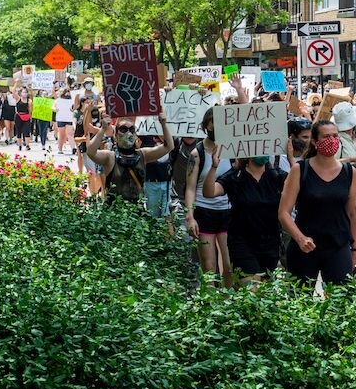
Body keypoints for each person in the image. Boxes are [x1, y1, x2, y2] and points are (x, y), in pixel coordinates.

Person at [279, 119, 356, 285]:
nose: (332, 140)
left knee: (341, 303)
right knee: (301, 302)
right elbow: (284, 213)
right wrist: (300, 238)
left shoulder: (349, 172)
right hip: (305, 248)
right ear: (315, 142)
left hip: (338, 246)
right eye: (326, 136)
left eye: (335, 136)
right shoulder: (300, 170)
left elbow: (352, 213)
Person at [206, 151, 288, 282]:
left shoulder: (277, 176)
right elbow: (209, 192)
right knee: (251, 287)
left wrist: (291, 159)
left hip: (270, 243)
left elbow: (301, 188)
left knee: (264, 292)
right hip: (241, 242)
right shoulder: (235, 176)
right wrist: (214, 167)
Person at [184, 114, 234, 280]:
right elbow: (190, 188)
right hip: (204, 212)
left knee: (229, 265)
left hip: (227, 211)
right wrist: (190, 217)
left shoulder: (232, 149)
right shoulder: (197, 154)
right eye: (215, 122)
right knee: (209, 266)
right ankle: (211, 303)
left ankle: (230, 302)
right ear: (207, 125)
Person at [85, 116, 173, 208]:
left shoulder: (142, 155)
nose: (128, 133)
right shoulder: (110, 157)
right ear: (115, 135)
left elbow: (169, 146)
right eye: (123, 129)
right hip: (114, 214)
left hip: (136, 213)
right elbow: (91, 152)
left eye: (132, 129)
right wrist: (103, 129)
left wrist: (163, 124)